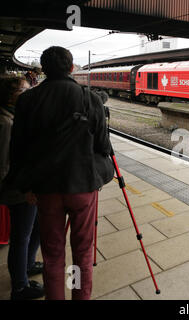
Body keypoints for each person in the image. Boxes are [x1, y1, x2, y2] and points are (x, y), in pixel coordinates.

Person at [6, 46, 114, 300]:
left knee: (52, 254)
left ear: (43, 69)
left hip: (45, 189)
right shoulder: (90, 99)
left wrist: (26, 187)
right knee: (82, 252)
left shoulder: (27, 100)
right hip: (82, 188)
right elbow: (103, 146)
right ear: (71, 67)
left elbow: (18, 147)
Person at [0, 75, 45, 300]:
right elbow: (4, 166)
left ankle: (27, 265)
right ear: (10, 95)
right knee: (21, 237)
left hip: (27, 187)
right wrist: (24, 188)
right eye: (23, 89)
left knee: (35, 228)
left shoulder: (15, 115)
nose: (29, 92)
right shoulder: (5, 122)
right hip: (19, 191)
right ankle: (20, 287)